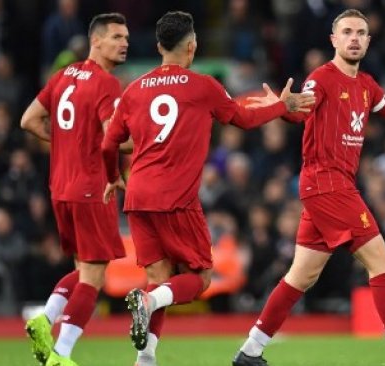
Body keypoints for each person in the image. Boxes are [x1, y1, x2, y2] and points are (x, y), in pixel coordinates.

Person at [233, 9, 385, 366]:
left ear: (368, 40)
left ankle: (249, 352)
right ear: (333, 40)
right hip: (327, 183)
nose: (354, 38)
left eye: (361, 33)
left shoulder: (367, 86)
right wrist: (283, 108)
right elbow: (303, 109)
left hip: (329, 187)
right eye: (346, 32)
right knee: (381, 261)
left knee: (301, 276)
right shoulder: (323, 77)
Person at [100, 11, 315, 366]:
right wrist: (281, 105)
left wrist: (112, 177)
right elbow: (243, 119)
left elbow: (109, 145)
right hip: (176, 199)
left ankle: (145, 359)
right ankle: (148, 303)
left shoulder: (134, 90)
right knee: (199, 279)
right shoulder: (203, 87)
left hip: (137, 197)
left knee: (160, 279)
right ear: (192, 47)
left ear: (158, 47)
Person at [20, 13, 129, 366]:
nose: (124, 42)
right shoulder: (106, 84)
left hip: (60, 188)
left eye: (125, 37)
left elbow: (28, 119)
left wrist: (65, 141)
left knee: (84, 269)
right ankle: (61, 354)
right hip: (91, 187)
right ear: (95, 41)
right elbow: (113, 140)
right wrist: (152, 142)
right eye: (115, 37)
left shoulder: (62, 75)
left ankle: (44, 318)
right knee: (94, 276)